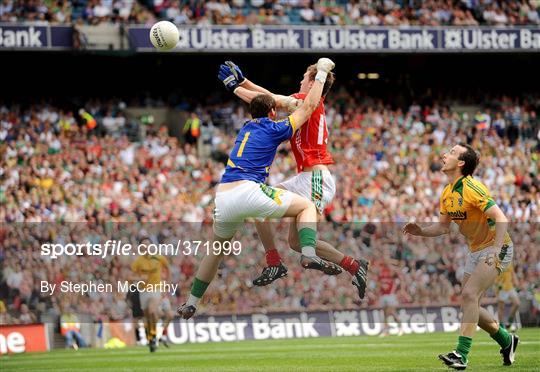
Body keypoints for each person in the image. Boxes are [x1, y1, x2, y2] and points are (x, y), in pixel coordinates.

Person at [178, 58, 336, 320]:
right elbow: (306, 105)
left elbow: (266, 98)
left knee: (215, 252)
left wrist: (236, 84)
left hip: (224, 196)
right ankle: (307, 254)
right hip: (248, 191)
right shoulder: (276, 129)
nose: (299, 82)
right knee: (306, 205)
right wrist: (320, 73)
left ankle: (191, 301)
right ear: (273, 113)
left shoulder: (245, 128)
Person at [219, 60, 369, 300]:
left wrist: (235, 87)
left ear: (312, 83)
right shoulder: (305, 100)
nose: (300, 81)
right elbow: (269, 99)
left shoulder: (311, 99)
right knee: (284, 232)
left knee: (289, 231)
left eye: (303, 78)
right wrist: (243, 80)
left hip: (316, 178)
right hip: (304, 178)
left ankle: (282, 261)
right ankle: (351, 265)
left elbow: (271, 101)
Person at [403, 143, 519, 370]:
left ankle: (461, 354)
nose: (444, 154)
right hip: (475, 250)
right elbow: (443, 227)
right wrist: (421, 231)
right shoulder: (447, 193)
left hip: (498, 246)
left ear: (461, 163)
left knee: (468, 295)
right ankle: (507, 340)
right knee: (469, 302)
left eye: (452, 153)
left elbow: (502, 218)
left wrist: (495, 250)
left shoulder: (472, 188)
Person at [131, 237, 171, 353]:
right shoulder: (138, 261)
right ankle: (152, 338)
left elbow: (168, 269)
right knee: (147, 316)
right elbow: (129, 277)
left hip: (156, 289)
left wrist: (167, 285)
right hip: (143, 291)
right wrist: (139, 278)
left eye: (148, 245)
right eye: (143, 246)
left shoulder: (159, 258)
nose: (146, 247)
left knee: (153, 311)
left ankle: (153, 337)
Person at [497, 263, 520, 332]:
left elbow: (512, 273)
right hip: (501, 287)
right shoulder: (497, 261)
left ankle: (509, 322)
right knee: (501, 307)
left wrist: (516, 282)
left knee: (517, 303)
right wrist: (496, 285)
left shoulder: (509, 262)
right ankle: (501, 326)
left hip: (510, 286)